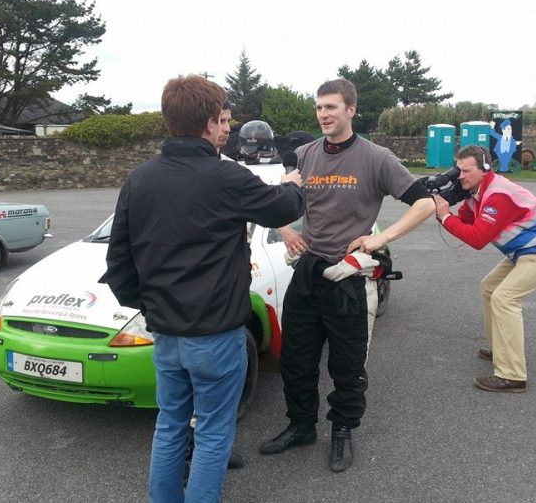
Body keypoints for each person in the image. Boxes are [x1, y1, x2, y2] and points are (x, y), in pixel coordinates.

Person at [103, 75, 304, 502]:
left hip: (166, 333)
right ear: (211, 122)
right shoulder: (225, 176)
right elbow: (284, 208)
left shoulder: (140, 179)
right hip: (216, 333)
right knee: (213, 431)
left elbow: (118, 264)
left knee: (170, 424)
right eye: (222, 120)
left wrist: (153, 308)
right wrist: (293, 183)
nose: (225, 127)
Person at [259, 78, 435, 472]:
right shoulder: (304, 155)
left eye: (331, 107)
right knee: (296, 359)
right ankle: (301, 426)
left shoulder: (376, 158)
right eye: (319, 107)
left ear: (351, 110)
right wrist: (285, 228)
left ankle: (342, 430)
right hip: (308, 272)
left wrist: (380, 239)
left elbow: (425, 204)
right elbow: (276, 200)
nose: (323, 114)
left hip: (348, 275)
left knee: (347, 365)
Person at [433, 145, 536, 393]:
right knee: (489, 287)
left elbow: (477, 238)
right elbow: (465, 221)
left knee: (504, 298)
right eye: (458, 170)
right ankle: (500, 349)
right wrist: (445, 207)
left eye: (466, 171)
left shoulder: (498, 195)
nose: (460, 176)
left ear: (485, 169)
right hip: (526, 250)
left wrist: (445, 216)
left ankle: (512, 376)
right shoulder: (477, 192)